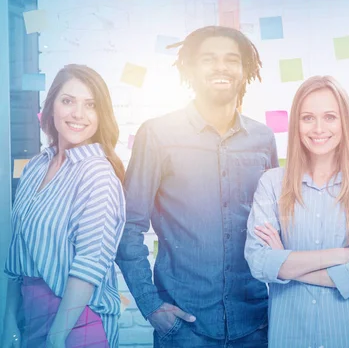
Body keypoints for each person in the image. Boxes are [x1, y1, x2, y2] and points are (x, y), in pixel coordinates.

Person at [116, 26, 278, 347]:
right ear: (189, 68)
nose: (221, 67)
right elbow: (129, 226)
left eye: (232, 59)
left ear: (245, 70)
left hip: (255, 323)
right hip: (184, 327)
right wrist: (151, 307)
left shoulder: (263, 139)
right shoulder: (158, 135)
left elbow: (275, 221)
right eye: (209, 59)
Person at [245, 75, 349, 348]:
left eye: (330, 117)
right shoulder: (272, 184)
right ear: (296, 124)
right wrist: (340, 256)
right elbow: (259, 262)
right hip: (291, 338)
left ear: (344, 123)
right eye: (308, 117)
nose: (319, 128)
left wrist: (287, 266)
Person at [1, 64, 126, 347]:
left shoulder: (97, 173)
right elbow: (16, 254)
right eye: (68, 100)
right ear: (52, 106)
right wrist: (9, 321)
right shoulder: (35, 166)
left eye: (90, 105)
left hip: (78, 323)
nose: (78, 114)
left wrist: (56, 340)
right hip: (28, 315)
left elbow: (88, 266)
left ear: (100, 114)